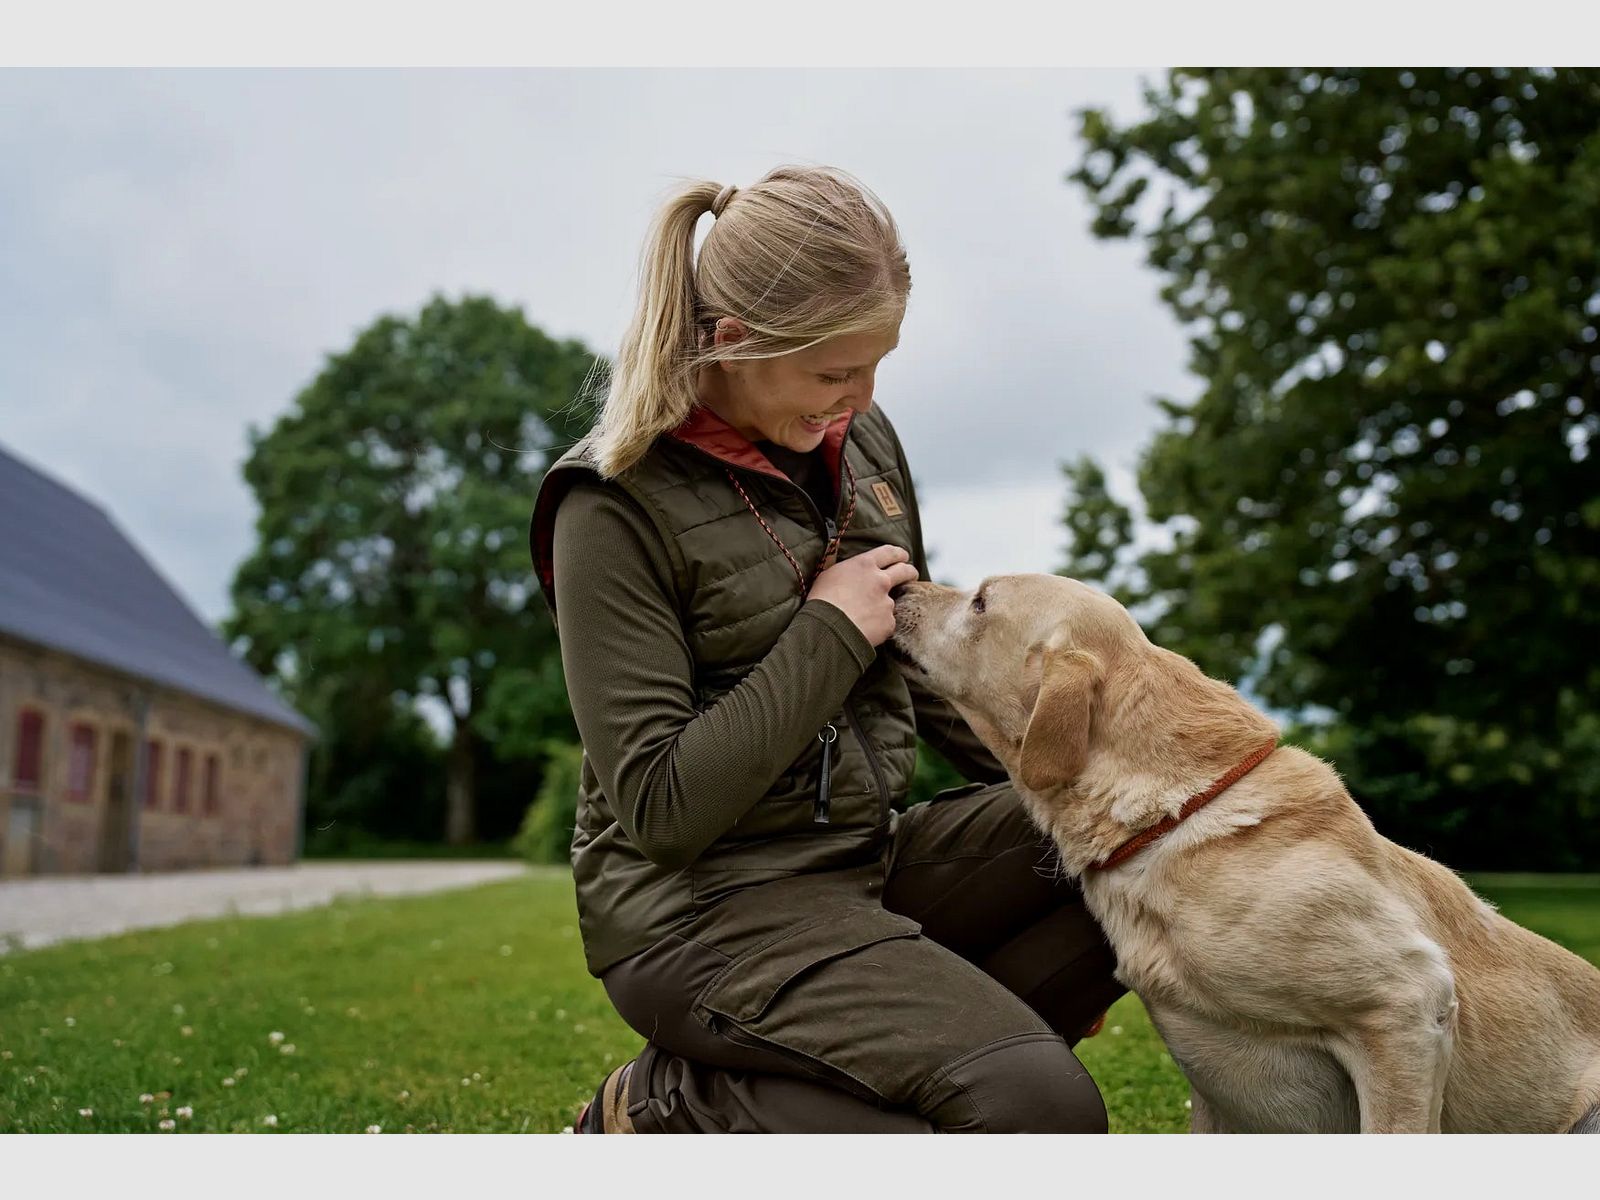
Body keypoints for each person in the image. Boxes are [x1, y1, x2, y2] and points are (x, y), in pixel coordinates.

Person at [528, 164, 1126, 1133]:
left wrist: (1066, 796)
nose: (859, 398)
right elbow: (661, 809)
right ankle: (670, 1104)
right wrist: (830, 629)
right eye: (832, 373)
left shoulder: (861, 440)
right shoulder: (609, 505)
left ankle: (932, 1065)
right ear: (733, 341)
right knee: (1039, 1112)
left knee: (1132, 838)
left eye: (876, 366)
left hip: (862, 865)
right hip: (700, 913)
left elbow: (918, 665)